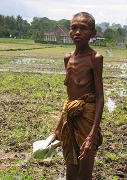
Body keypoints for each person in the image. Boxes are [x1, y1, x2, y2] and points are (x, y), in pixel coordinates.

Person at [54, 12, 104, 180]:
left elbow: (99, 98)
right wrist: (59, 125)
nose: (77, 32)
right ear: (69, 31)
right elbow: (70, 99)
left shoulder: (95, 58)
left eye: (83, 28)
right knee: (71, 168)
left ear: (93, 33)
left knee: (84, 172)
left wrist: (92, 135)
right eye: (74, 28)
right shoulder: (68, 58)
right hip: (70, 118)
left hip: (87, 119)